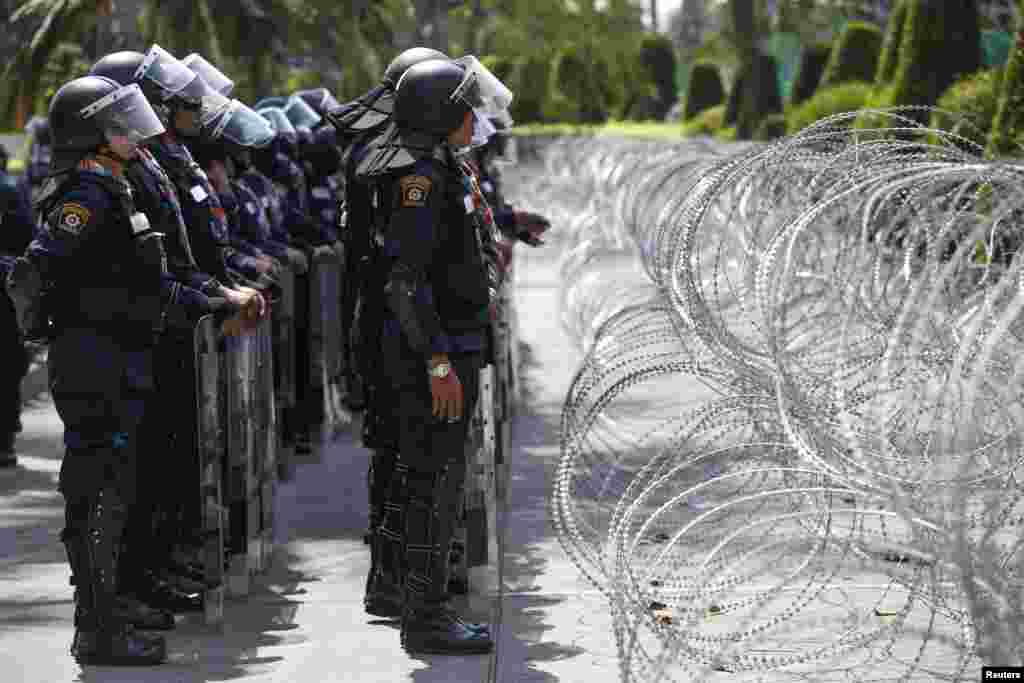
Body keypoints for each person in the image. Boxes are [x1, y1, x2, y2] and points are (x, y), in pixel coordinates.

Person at [4, 75, 243, 666]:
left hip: (121, 358)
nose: (133, 130)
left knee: (119, 492)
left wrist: (202, 300)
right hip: (95, 362)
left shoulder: (116, 186)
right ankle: (98, 629)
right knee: (97, 497)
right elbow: (43, 276)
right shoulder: (85, 198)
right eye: (117, 122)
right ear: (93, 135)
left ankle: (109, 617)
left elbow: (141, 280)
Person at [353, 55, 515, 655]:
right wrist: (438, 361)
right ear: (442, 114)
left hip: (454, 347)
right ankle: (425, 617)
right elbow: (405, 283)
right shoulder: (418, 179)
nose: (476, 118)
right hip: (434, 357)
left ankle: (423, 608)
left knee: (437, 480)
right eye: (466, 108)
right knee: (431, 482)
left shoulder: (442, 166)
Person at [0, 142, 35, 467]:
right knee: (8, 364)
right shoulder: (10, 189)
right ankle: (5, 440)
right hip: (6, 291)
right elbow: (29, 238)